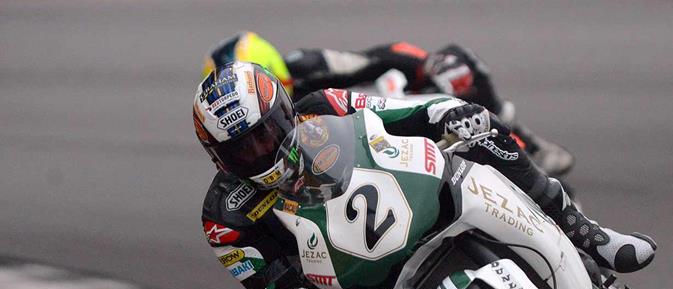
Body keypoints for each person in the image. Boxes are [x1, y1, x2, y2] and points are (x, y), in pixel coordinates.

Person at [195, 61, 656, 289]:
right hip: (341, 285)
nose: (260, 151)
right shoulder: (225, 214)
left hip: (410, 198)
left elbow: (401, 110)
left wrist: (447, 112)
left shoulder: (322, 106)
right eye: (242, 149)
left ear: (285, 111)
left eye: (265, 134)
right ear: (218, 157)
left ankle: (587, 235)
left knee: (482, 127)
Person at [201, 31, 574, 178]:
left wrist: (427, 65)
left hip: (388, 114)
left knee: (457, 64)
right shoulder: (248, 168)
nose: (258, 142)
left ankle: (527, 144)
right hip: (356, 169)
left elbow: (383, 56)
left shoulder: (311, 69)